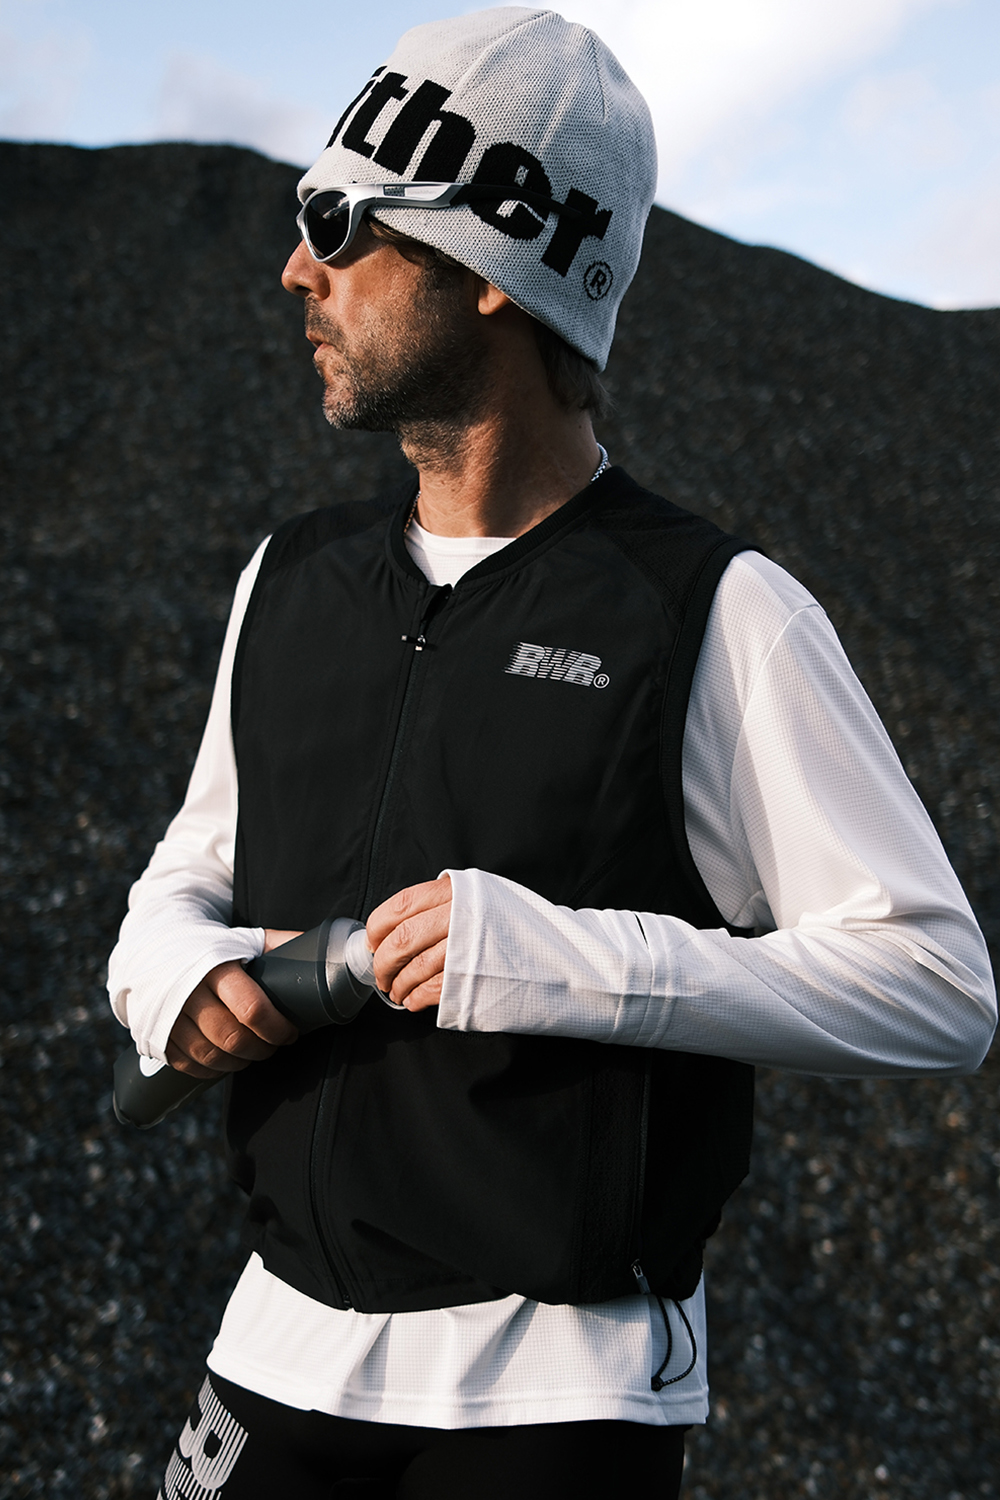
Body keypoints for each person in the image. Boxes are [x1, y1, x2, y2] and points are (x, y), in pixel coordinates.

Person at [107, 8, 996, 1497]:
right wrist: (173, 981)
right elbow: (183, 879)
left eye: (340, 225)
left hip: (553, 1394)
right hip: (272, 1348)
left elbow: (937, 984)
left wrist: (569, 961)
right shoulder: (290, 579)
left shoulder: (717, 612)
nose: (296, 271)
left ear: (497, 265)